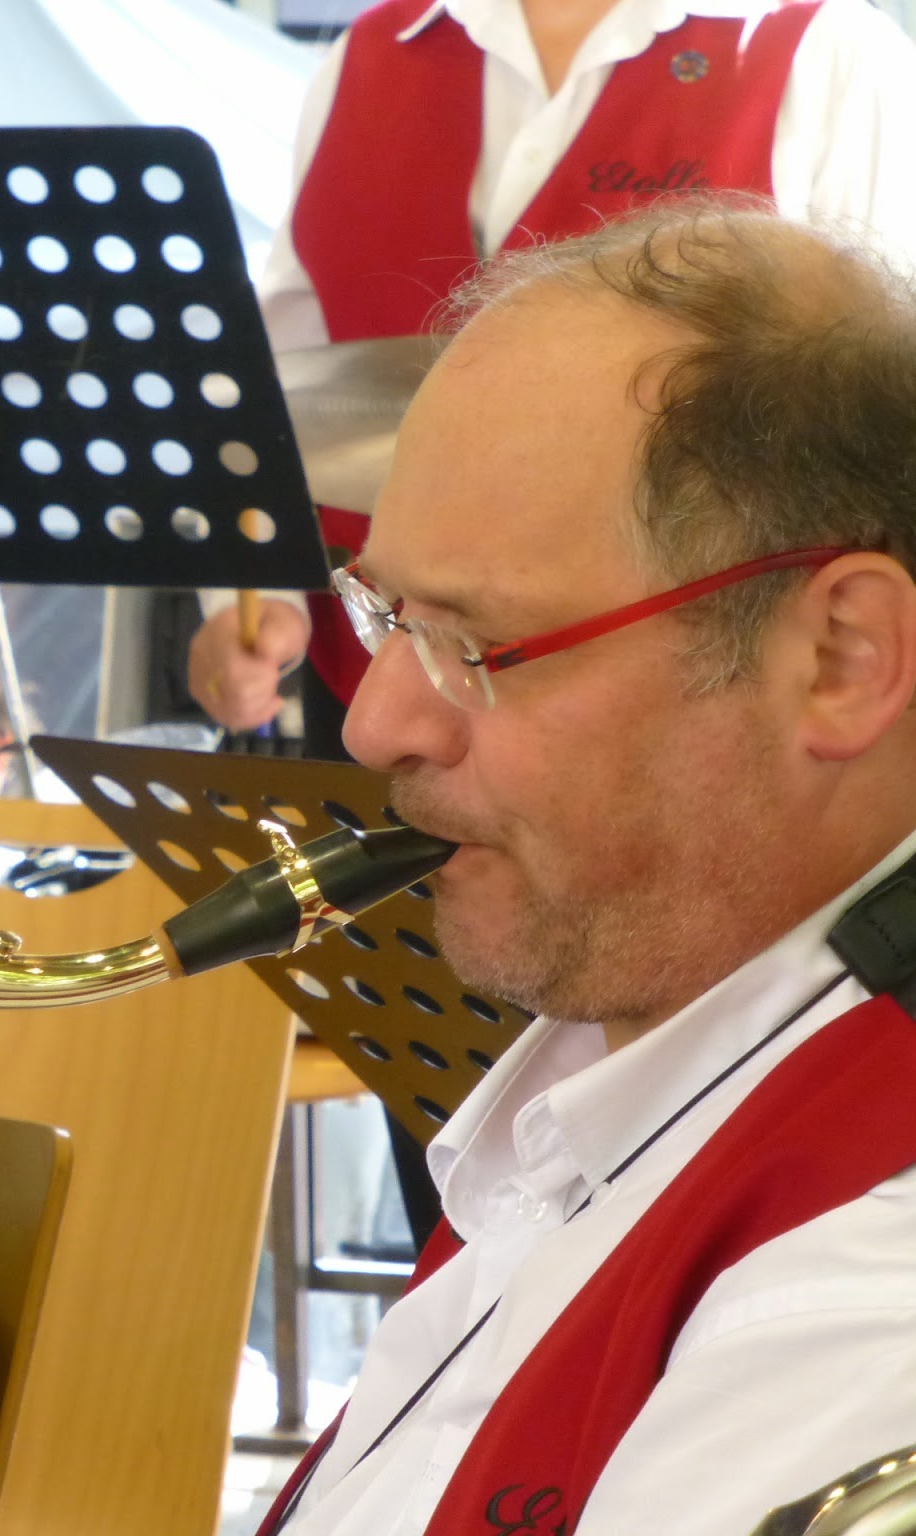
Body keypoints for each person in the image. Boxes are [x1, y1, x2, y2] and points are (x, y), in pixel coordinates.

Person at [257, 203, 916, 1536]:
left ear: (843, 657)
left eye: (478, 645)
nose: (375, 723)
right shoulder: (623, 1062)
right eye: (381, 613)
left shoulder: (861, 1285)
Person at [189, 0, 916, 750]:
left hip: (661, 700)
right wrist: (252, 594)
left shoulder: (824, 53)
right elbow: (275, 388)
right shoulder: (367, 52)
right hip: (374, 667)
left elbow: (878, 429)